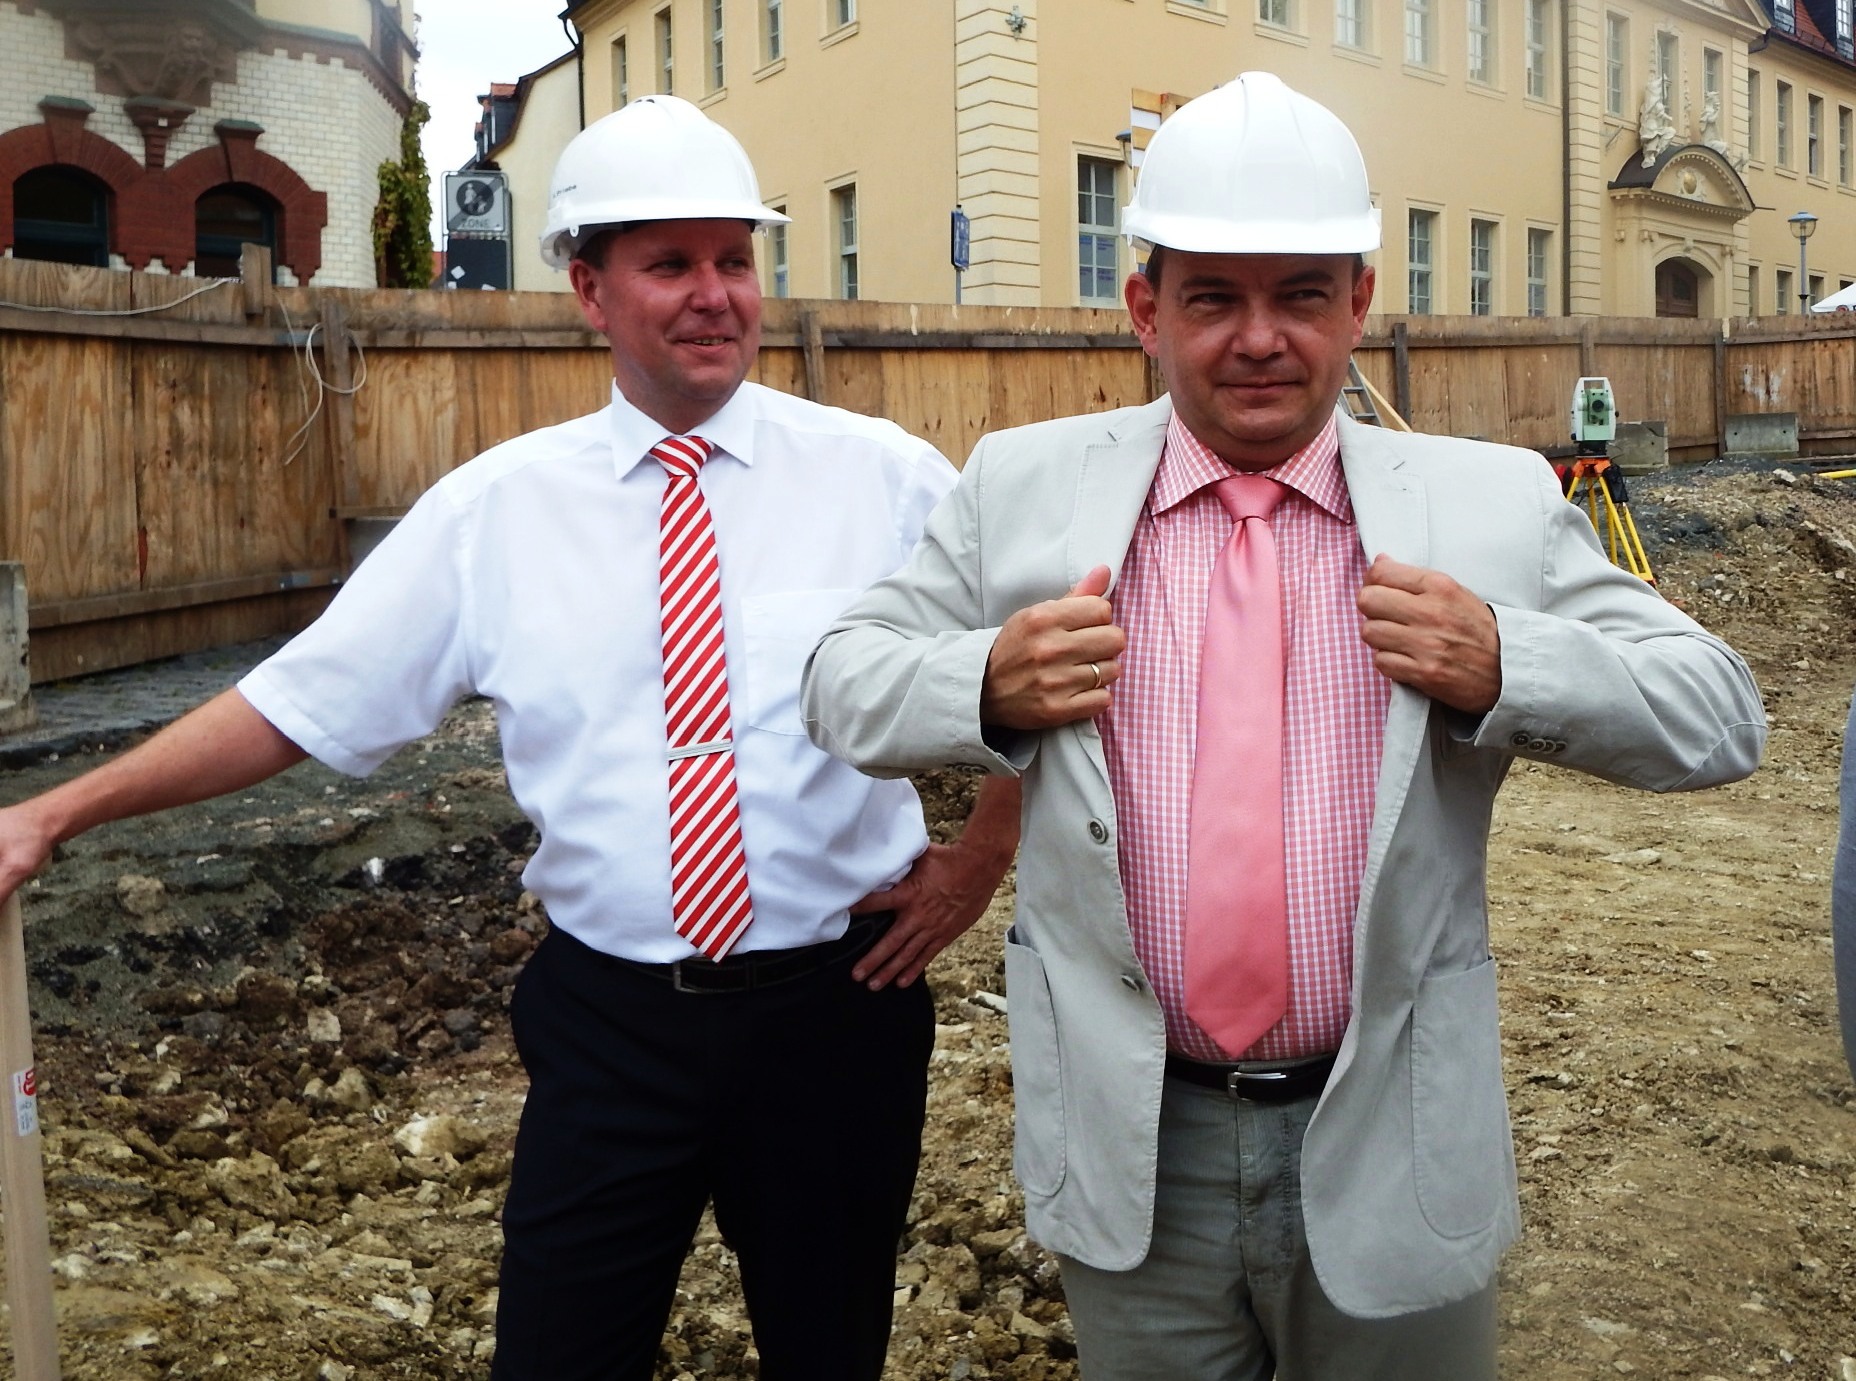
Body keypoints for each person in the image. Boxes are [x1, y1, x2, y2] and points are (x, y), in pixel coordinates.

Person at [0, 95, 1019, 1381]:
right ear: (589, 290)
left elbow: (1042, 671)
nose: (714, 295)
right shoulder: (494, 515)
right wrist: (54, 811)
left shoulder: (883, 479)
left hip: (839, 1014)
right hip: (611, 1027)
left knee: (828, 1350)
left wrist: (981, 858)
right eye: (669, 264)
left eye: (733, 259)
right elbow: (298, 701)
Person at [802, 72, 1766, 1380]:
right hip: (1139, 1147)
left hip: (1390, 1132)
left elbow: (1719, 714)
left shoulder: (1486, 506)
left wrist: (1508, 662)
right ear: (1145, 310)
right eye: (1213, 298)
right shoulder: (1021, 489)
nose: (1259, 339)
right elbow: (839, 682)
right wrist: (983, 682)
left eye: (1301, 296)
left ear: (1356, 304)